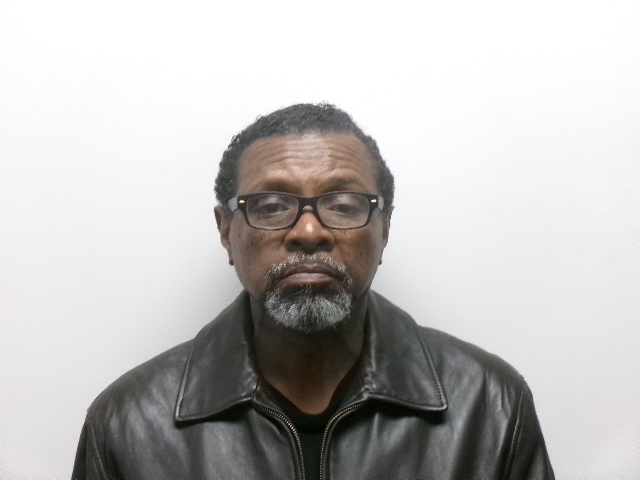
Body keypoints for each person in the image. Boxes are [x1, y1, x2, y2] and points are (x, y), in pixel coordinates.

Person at [72, 103, 554, 479]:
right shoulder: (129, 421)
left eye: (342, 204)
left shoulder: (488, 404)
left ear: (384, 229)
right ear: (225, 231)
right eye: (271, 205)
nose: (307, 231)